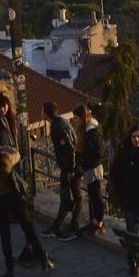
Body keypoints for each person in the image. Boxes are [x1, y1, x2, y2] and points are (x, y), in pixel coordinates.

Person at [0, 123, 51, 277]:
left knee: (5, 237)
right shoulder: (2, 161)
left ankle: (10, 270)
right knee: (28, 228)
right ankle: (43, 259)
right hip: (13, 198)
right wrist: (1, 148)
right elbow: (16, 154)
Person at [47, 101, 82, 239]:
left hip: (70, 168)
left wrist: (70, 169)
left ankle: (73, 228)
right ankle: (59, 226)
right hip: (69, 167)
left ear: (46, 112)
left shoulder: (58, 127)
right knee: (67, 197)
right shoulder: (60, 123)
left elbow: (70, 149)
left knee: (74, 197)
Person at [77, 104, 108, 236]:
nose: (75, 120)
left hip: (93, 168)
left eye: (77, 117)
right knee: (93, 195)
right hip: (90, 167)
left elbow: (97, 153)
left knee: (96, 196)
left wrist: (85, 164)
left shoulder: (93, 132)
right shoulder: (89, 131)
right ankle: (95, 221)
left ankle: (98, 222)